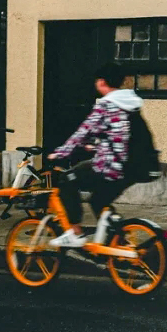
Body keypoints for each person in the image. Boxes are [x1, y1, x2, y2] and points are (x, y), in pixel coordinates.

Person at [47, 62, 147, 248]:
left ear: (101, 82)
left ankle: (74, 233)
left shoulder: (107, 105)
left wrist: (60, 153)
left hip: (110, 166)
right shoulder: (130, 103)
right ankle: (118, 241)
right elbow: (119, 135)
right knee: (98, 200)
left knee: (67, 179)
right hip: (131, 167)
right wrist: (94, 147)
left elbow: (82, 132)